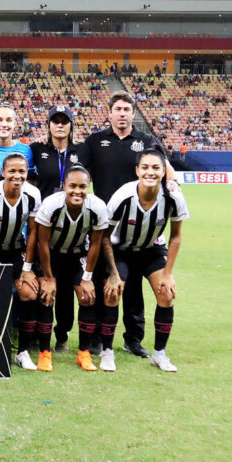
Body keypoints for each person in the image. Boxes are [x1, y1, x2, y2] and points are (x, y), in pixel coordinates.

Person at [83, 91, 174, 359]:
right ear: (109, 113)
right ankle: (99, 338)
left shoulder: (146, 141)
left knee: (134, 288)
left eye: (127, 109)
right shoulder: (95, 141)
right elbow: (82, 175)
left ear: (133, 113)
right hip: (106, 227)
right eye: (118, 109)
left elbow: (164, 165)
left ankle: (133, 339)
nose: (122, 113)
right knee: (107, 283)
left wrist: (173, 182)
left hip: (140, 226)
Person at [103, 147, 189, 372]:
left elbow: (176, 237)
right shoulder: (124, 195)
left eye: (155, 168)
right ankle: (107, 351)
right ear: (137, 170)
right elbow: (103, 236)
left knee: (166, 294)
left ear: (163, 172)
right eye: (145, 167)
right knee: (113, 291)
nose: (150, 172)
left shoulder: (173, 196)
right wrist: (113, 274)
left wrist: (168, 274)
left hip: (151, 250)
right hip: (120, 250)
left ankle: (159, 354)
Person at [34, 165, 111, 372]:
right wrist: (48, 277)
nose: (77, 191)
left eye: (83, 186)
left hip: (77, 255)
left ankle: (84, 353)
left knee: (87, 296)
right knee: (46, 295)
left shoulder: (97, 207)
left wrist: (87, 278)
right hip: (50, 255)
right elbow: (42, 243)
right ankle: (44, 352)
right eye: (73, 186)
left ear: (89, 187)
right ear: (64, 186)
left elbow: (95, 244)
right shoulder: (51, 204)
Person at [0, 153, 42, 370]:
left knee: (29, 293)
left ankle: (22, 351)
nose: (17, 175)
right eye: (12, 171)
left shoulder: (33, 195)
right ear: (3, 172)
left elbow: (33, 233)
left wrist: (27, 268)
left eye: (21, 171)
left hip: (15, 251)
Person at [29, 105, 89, 200]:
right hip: (44, 208)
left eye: (64, 122)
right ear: (49, 125)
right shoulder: (37, 148)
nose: (60, 125)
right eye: (55, 122)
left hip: (74, 208)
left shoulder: (83, 149)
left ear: (71, 125)